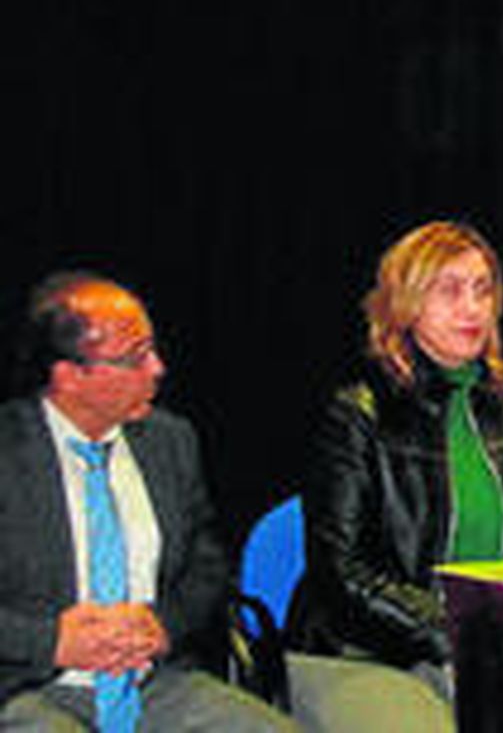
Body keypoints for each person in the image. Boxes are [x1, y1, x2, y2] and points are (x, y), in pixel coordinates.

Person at [0, 272, 297, 731]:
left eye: (152, 350)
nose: (157, 368)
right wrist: (49, 641)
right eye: (135, 357)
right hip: (32, 685)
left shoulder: (169, 441)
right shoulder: (8, 451)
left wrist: (163, 626)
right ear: (70, 377)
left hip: (155, 682)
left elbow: (207, 567)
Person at [291, 221, 503, 725]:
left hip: (486, 647)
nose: (472, 308)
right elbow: (342, 576)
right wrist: (453, 634)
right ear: (406, 303)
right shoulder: (357, 409)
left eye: (483, 290)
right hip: (363, 651)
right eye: (450, 291)